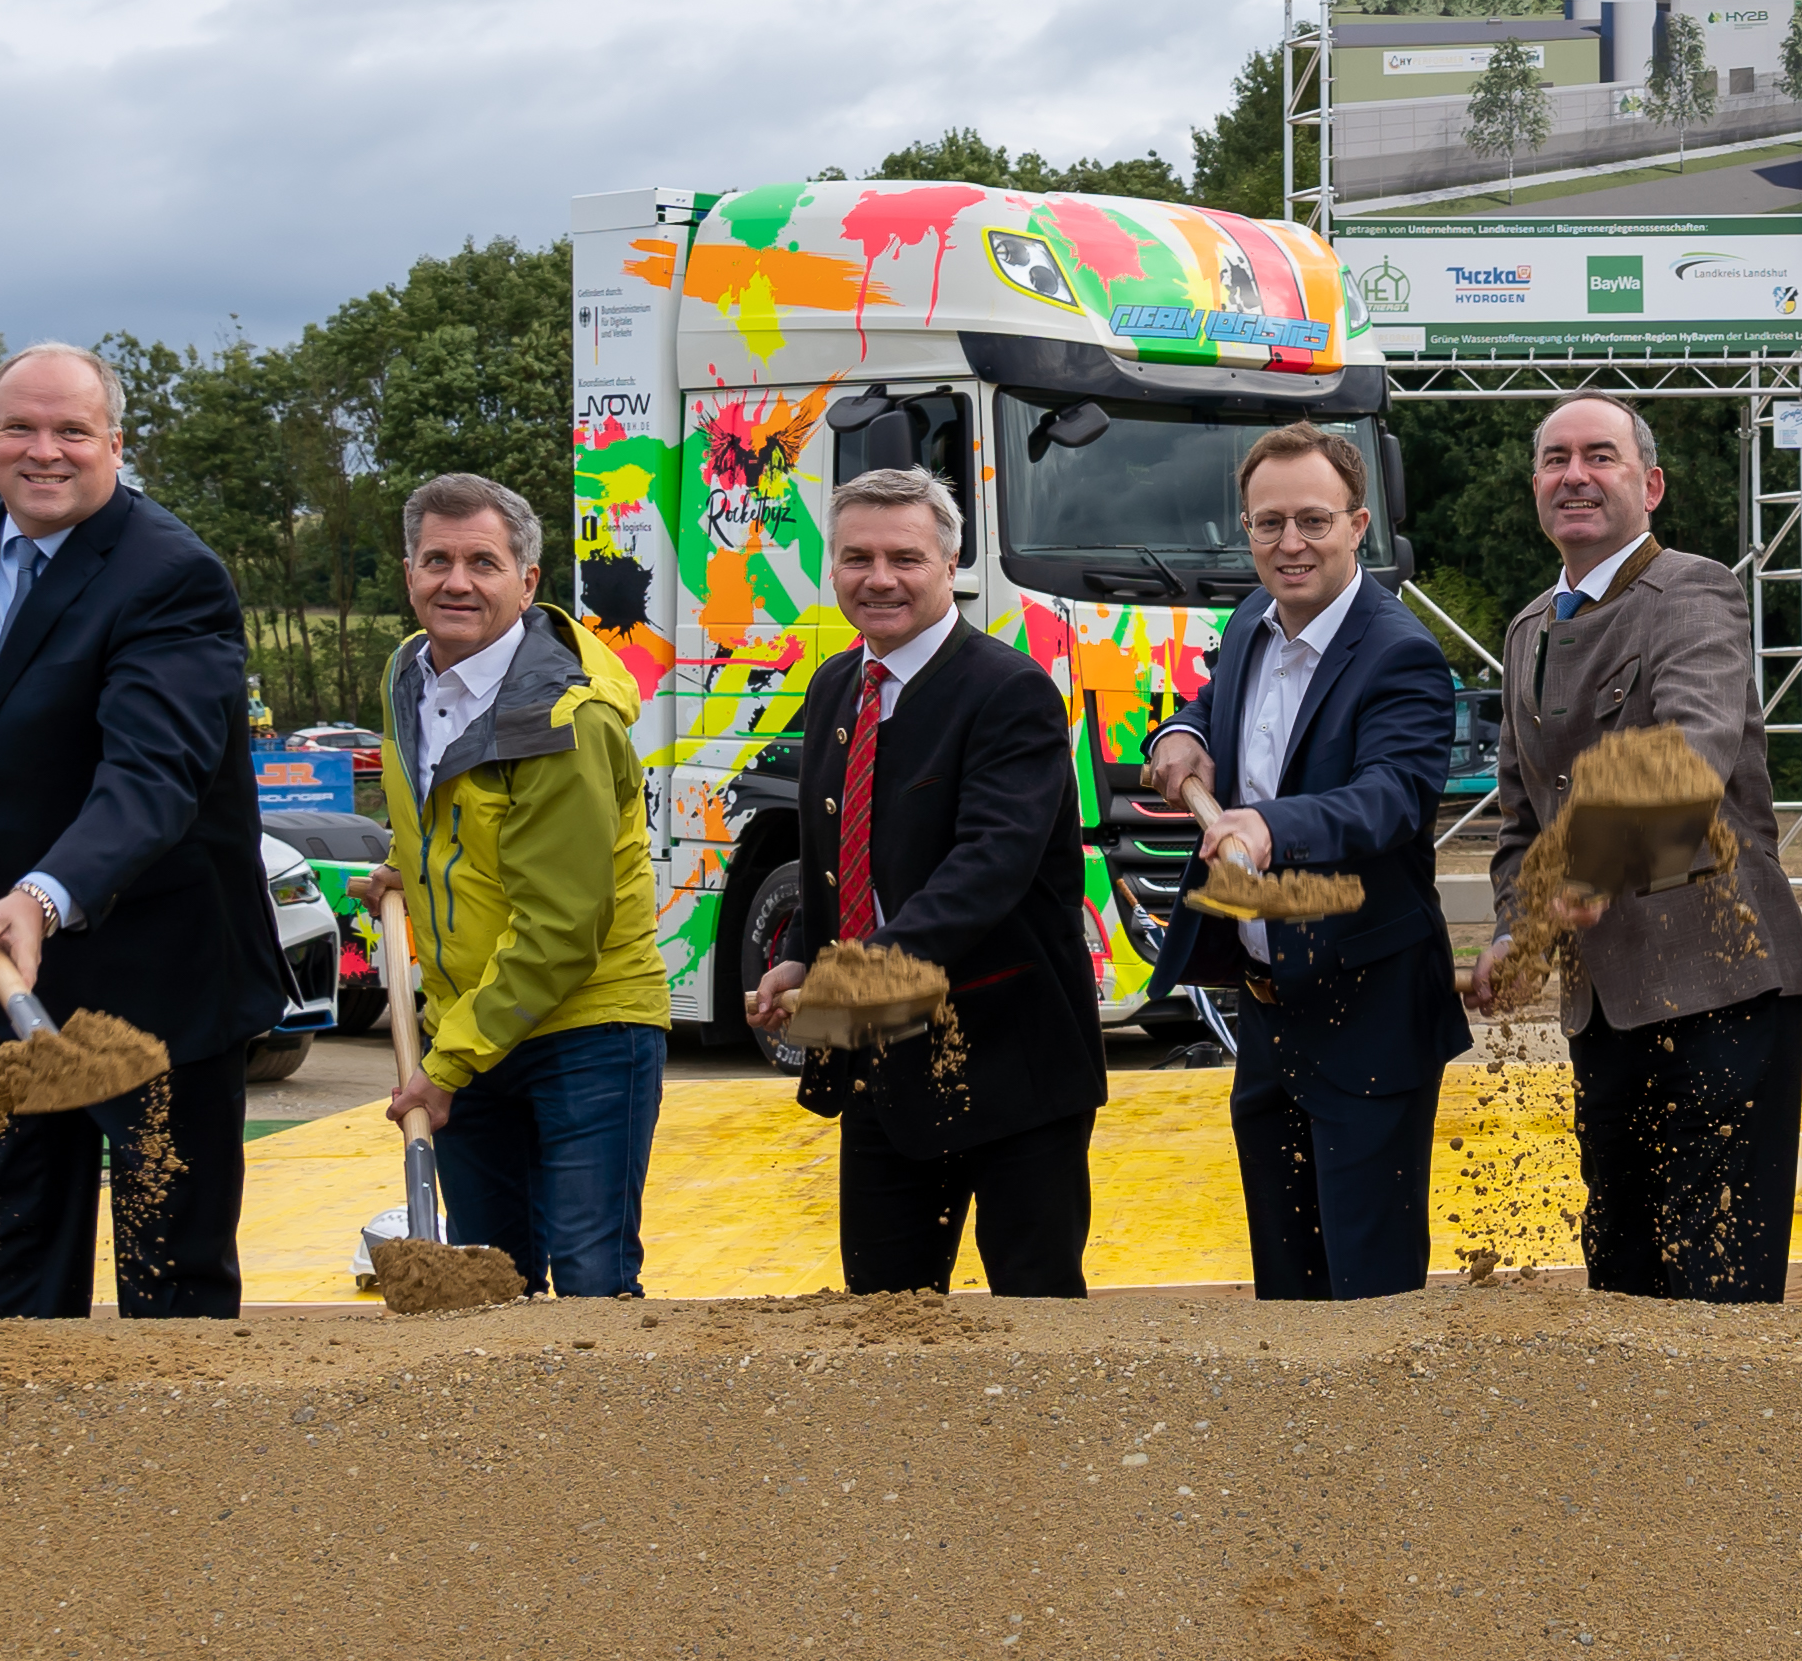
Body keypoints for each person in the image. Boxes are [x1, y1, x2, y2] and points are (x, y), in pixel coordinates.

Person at [0, 347, 276, 1318]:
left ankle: (174, 1468)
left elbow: (151, 776)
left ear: (114, 445)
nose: (44, 452)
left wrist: (45, 895)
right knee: (3, 1270)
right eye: (21, 428)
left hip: (158, 981)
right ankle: (15, 1464)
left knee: (171, 1276)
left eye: (72, 432)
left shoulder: (171, 575)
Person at [1477, 395, 1802, 1302]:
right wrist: (1519, 931)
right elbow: (1521, 825)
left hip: (1719, 989)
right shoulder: (1525, 633)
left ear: (1650, 484)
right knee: (1623, 1272)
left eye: (1600, 456)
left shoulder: (1693, 592)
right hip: (1605, 1010)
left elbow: (1690, 753)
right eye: (1555, 460)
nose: (1575, 475)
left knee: (1718, 1284)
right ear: (1537, 488)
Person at [745, 464, 1106, 1295]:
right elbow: (835, 851)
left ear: (951, 565)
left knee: (1037, 1316)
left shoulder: (1009, 691)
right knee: (885, 1318)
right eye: (857, 558)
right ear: (832, 568)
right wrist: (805, 952)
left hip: (1014, 1063)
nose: (879, 579)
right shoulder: (839, 683)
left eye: (905, 558)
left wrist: (851, 977)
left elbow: (988, 870)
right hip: (885, 1071)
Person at [1144, 422, 1469, 1303]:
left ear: (1360, 525)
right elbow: (1210, 709)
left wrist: (1268, 827)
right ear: (1244, 529)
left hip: (1369, 1008)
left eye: (1314, 521)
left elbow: (1391, 797)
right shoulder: (1252, 619)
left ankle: (1386, 1442)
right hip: (1270, 1005)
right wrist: (1178, 737)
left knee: (1368, 1288)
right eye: (1268, 522)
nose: (1290, 544)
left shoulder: (1400, 654)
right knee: (1286, 1281)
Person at [369, 473, 669, 1298]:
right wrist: (418, 870)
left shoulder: (563, 719)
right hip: (472, 1026)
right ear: (409, 573)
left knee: (589, 1281)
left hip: (586, 1027)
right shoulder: (406, 675)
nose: (456, 582)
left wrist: (450, 1065)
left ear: (528, 581)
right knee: (488, 1286)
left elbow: (561, 926)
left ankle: (603, 1430)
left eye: (483, 563)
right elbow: (455, 823)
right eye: (437, 560)